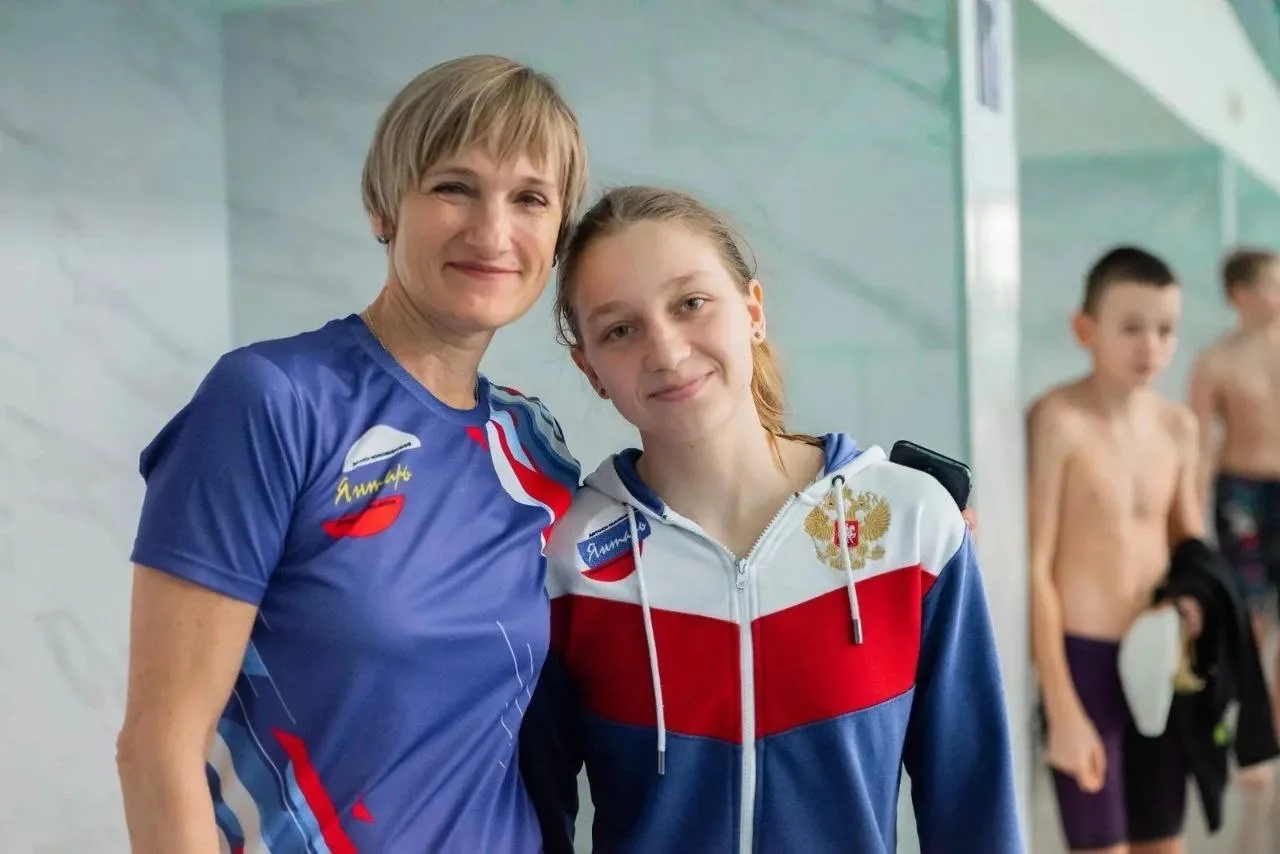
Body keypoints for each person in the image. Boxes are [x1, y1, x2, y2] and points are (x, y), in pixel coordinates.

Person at [115, 55, 588, 853]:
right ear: (382, 205)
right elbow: (158, 751)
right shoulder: (272, 400)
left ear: (558, 234)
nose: (492, 231)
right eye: (454, 187)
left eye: (530, 199)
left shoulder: (533, 445)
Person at [519, 186, 1021, 853]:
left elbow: (975, 807)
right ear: (591, 371)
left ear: (752, 312)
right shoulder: (565, 562)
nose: (665, 350)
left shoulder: (910, 528)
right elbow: (531, 818)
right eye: (620, 330)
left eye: (691, 304)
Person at [1027, 245, 1243, 854]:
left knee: (1164, 843)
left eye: (1165, 329)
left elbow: (1189, 547)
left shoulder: (1179, 427)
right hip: (1086, 663)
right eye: (1131, 328)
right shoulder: (1057, 420)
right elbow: (1036, 568)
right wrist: (1063, 708)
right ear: (1085, 330)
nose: (1150, 345)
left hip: (1160, 658)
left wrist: (1195, 606)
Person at [1189, 248, 1280, 715]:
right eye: (1271, 285)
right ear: (1239, 294)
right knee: (1250, 614)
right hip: (1240, 493)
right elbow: (1200, 446)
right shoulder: (1216, 361)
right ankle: (1252, 725)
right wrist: (1190, 525)